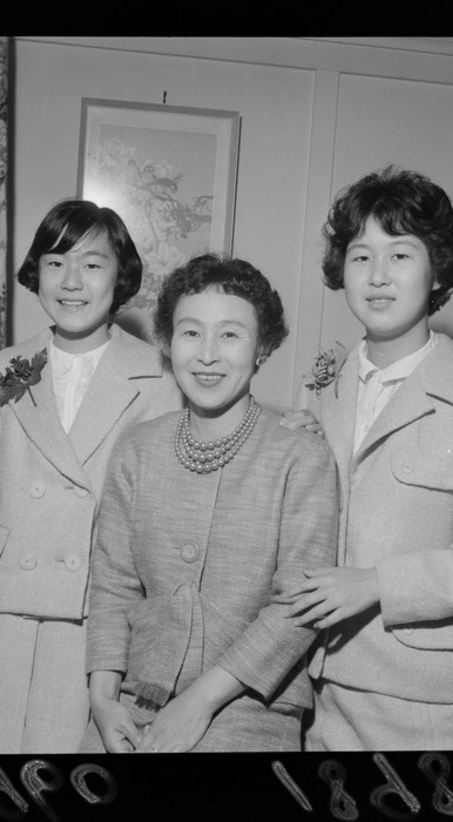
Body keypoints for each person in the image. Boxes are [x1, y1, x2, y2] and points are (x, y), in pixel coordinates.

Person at [280, 166, 453, 750]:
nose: (378, 276)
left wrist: (376, 583)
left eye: (401, 255)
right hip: (319, 688)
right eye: (361, 256)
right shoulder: (322, 386)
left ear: (437, 268)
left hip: (435, 703)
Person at [0, 199, 182, 754]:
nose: (71, 281)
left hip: (90, 622)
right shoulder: (3, 368)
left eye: (92, 265)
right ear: (35, 273)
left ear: (121, 277)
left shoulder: (158, 378)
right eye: (56, 261)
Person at [80, 253, 339, 753]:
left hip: (251, 708)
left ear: (263, 347)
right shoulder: (138, 448)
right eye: (191, 332)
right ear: (167, 342)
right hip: (133, 700)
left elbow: (297, 608)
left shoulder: (301, 456)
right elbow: (113, 583)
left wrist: (198, 703)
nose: (207, 355)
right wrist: (102, 699)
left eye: (230, 335)